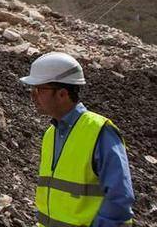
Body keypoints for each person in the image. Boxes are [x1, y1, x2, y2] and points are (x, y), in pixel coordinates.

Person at [19, 52, 134, 227]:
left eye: (39, 89)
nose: (32, 96)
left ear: (62, 94)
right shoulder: (51, 134)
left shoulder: (100, 131)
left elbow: (119, 200)